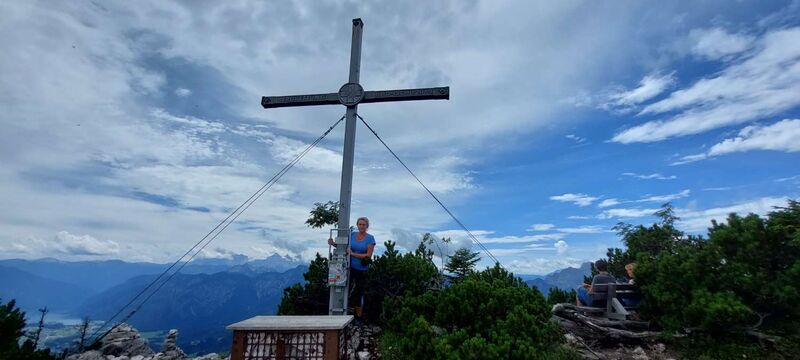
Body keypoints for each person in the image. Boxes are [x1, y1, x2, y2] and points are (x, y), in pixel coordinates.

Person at [328, 216, 376, 318]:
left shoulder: (370, 238)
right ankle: (344, 310)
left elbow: (368, 255)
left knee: (359, 292)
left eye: (364, 224)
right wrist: (333, 244)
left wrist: (353, 254)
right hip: (349, 267)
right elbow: (345, 248)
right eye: (360, 224)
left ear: (367, 226)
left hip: (362, 269)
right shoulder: (352, 235)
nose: (362, 226)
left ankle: (358, 315)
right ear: (357, 225)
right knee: (345, 288)